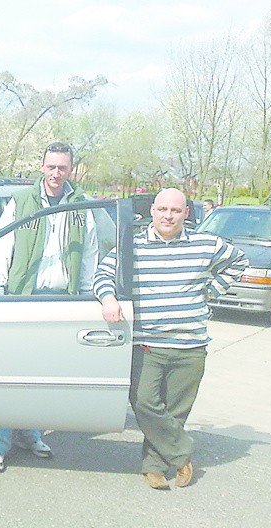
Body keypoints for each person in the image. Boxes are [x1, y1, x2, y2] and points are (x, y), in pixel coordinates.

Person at [93, 188, 247, 489]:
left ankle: (154, 467)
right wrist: (109, 300)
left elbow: (239, 263)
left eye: (175, 211)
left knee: (176, 410)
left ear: (185, 213)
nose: (168, 215)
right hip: (147, 343)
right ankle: (181, 454)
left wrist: (209, 292)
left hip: (190, 343)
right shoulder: (131, 246)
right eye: (162, 209)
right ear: (152, 211)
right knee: (144, 402)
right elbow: (102, 275)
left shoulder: (206, 244)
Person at [0, 141, 101, 473]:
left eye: (63, 167)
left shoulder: (80, 206)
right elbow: (2, 246)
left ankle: (32, 433)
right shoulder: (21, 202)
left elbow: (90, 252)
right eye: (51, 166)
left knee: (45, 374)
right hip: (23, 298)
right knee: (11, 373)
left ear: (71, 169)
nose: (56, 173)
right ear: (42, 167)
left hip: (63, 299)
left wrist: (89, 293)